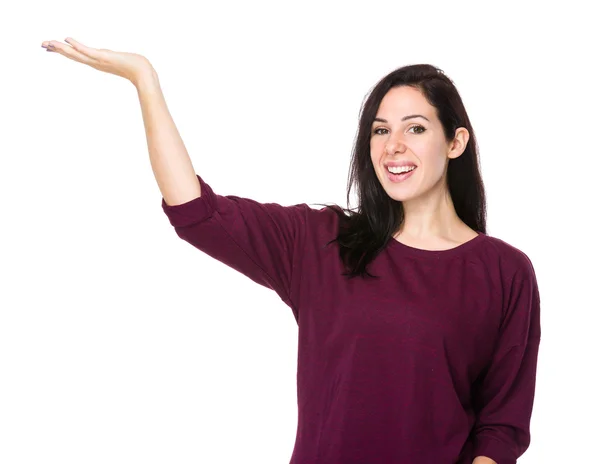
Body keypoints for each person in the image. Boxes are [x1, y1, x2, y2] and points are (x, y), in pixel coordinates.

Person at [42, 38, 541, 464]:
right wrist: (144, 81)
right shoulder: (323, 244)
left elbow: (501, 426)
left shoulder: (504, 272)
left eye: (415, 128)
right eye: (380, 130)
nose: (393, 146)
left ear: (455, 143)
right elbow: (196, 211)